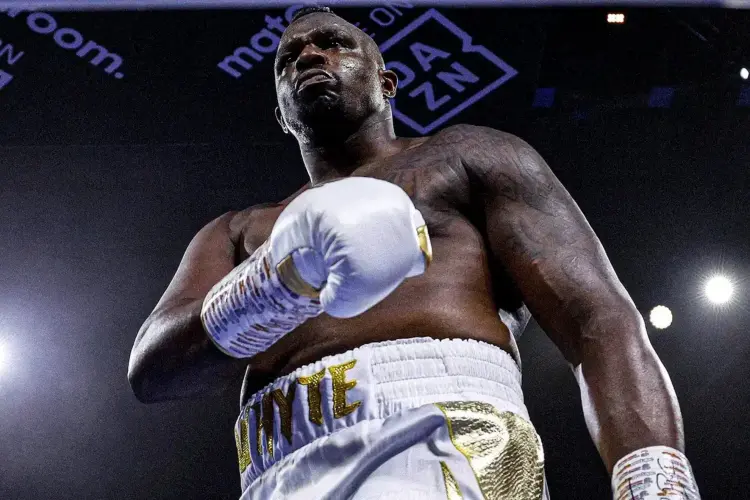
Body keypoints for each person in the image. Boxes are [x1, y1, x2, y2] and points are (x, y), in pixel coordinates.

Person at [128, 6, 700, 500]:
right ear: (281, 116)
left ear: (387, 81)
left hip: (447, 437)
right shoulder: (239, 231)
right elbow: (152, 372)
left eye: (333, 43)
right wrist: (282, 279)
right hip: (277, 469)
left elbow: (598, 322)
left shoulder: (468, 156)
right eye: (288, 58)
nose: (309, 56)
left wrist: (657, 486)